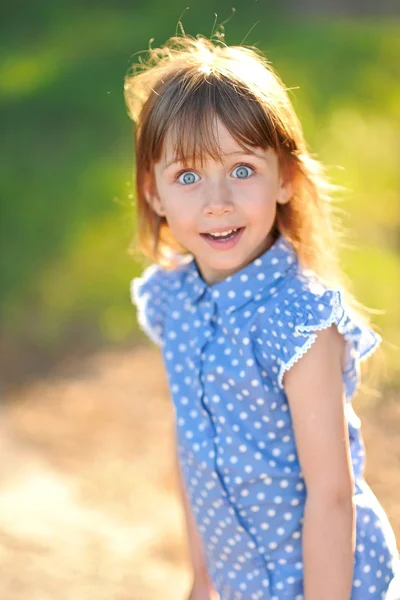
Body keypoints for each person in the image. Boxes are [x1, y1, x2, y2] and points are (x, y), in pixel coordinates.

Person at [124, 32, 400, 600]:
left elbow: (331, 495)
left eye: (243, 170)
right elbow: (195, 448)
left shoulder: (298, 323)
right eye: (188, 176)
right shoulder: (176, 301)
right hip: (240, 582)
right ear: (154, 194)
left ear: (285, 180)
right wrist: (203, 576)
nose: (217, 200)